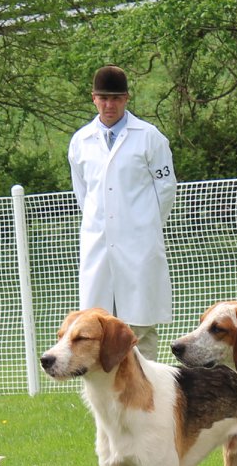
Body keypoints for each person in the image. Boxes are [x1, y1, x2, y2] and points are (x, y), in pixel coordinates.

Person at [68, 65, 177, 359]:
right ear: (93, 98)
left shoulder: (149, 137)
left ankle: (146, 387)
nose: (109, 105)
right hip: (98, 245)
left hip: (140, 245)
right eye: (103, 98)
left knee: (140, 328)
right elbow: (84, 193)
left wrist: (145, 225)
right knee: (95, 328)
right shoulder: (80, 141)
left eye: (115, 98)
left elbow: (166, 188)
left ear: (126, 98)